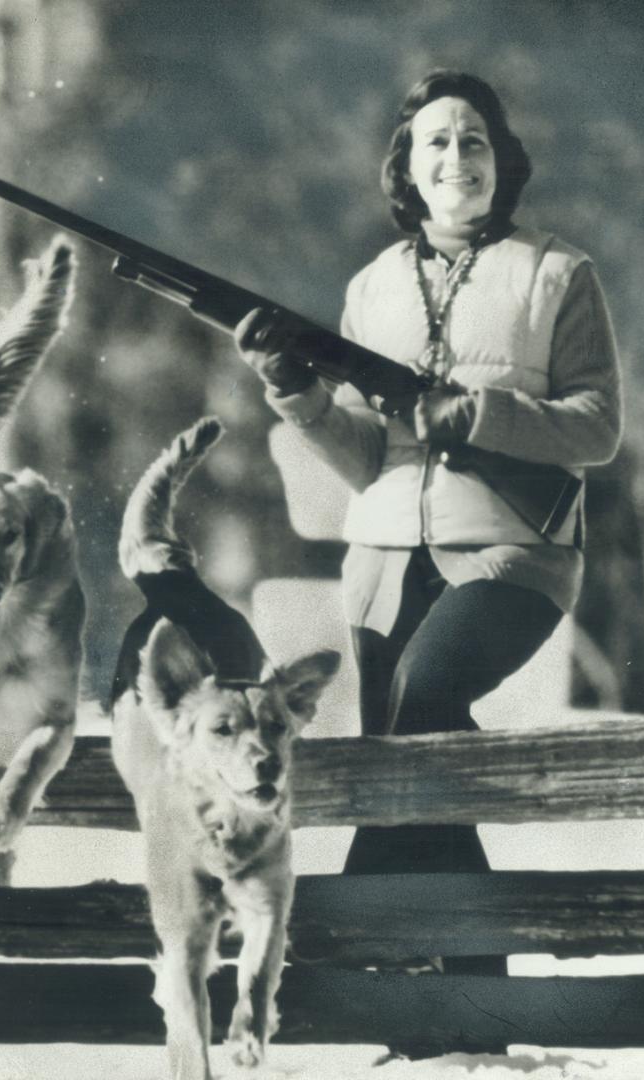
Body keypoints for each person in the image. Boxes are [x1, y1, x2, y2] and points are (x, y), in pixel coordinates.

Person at [236, 71, 623, 992]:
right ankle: (462, 1000)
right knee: (413, 769)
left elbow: (598, 427)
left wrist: (481, 416)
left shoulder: (559, 273)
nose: (459, 156)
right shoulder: (369, 287)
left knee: (426, 694)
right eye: (437, 142)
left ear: (504, 160)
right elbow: (366, 458)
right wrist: (294, 394)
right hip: (382, 561)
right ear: (407, 170)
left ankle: (341, 930)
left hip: (515, 549)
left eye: (476, 139)